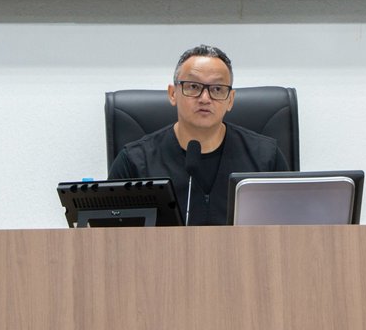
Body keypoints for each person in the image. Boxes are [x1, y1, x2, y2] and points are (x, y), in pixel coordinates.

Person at [108, 45, 288, 225]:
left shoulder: (266, 158)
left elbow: (290, 227)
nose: (204, 98)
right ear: (172, 94)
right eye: (193, 86)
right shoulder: (135, 163)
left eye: (217, 89)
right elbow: (110, 237)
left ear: (230, 100)